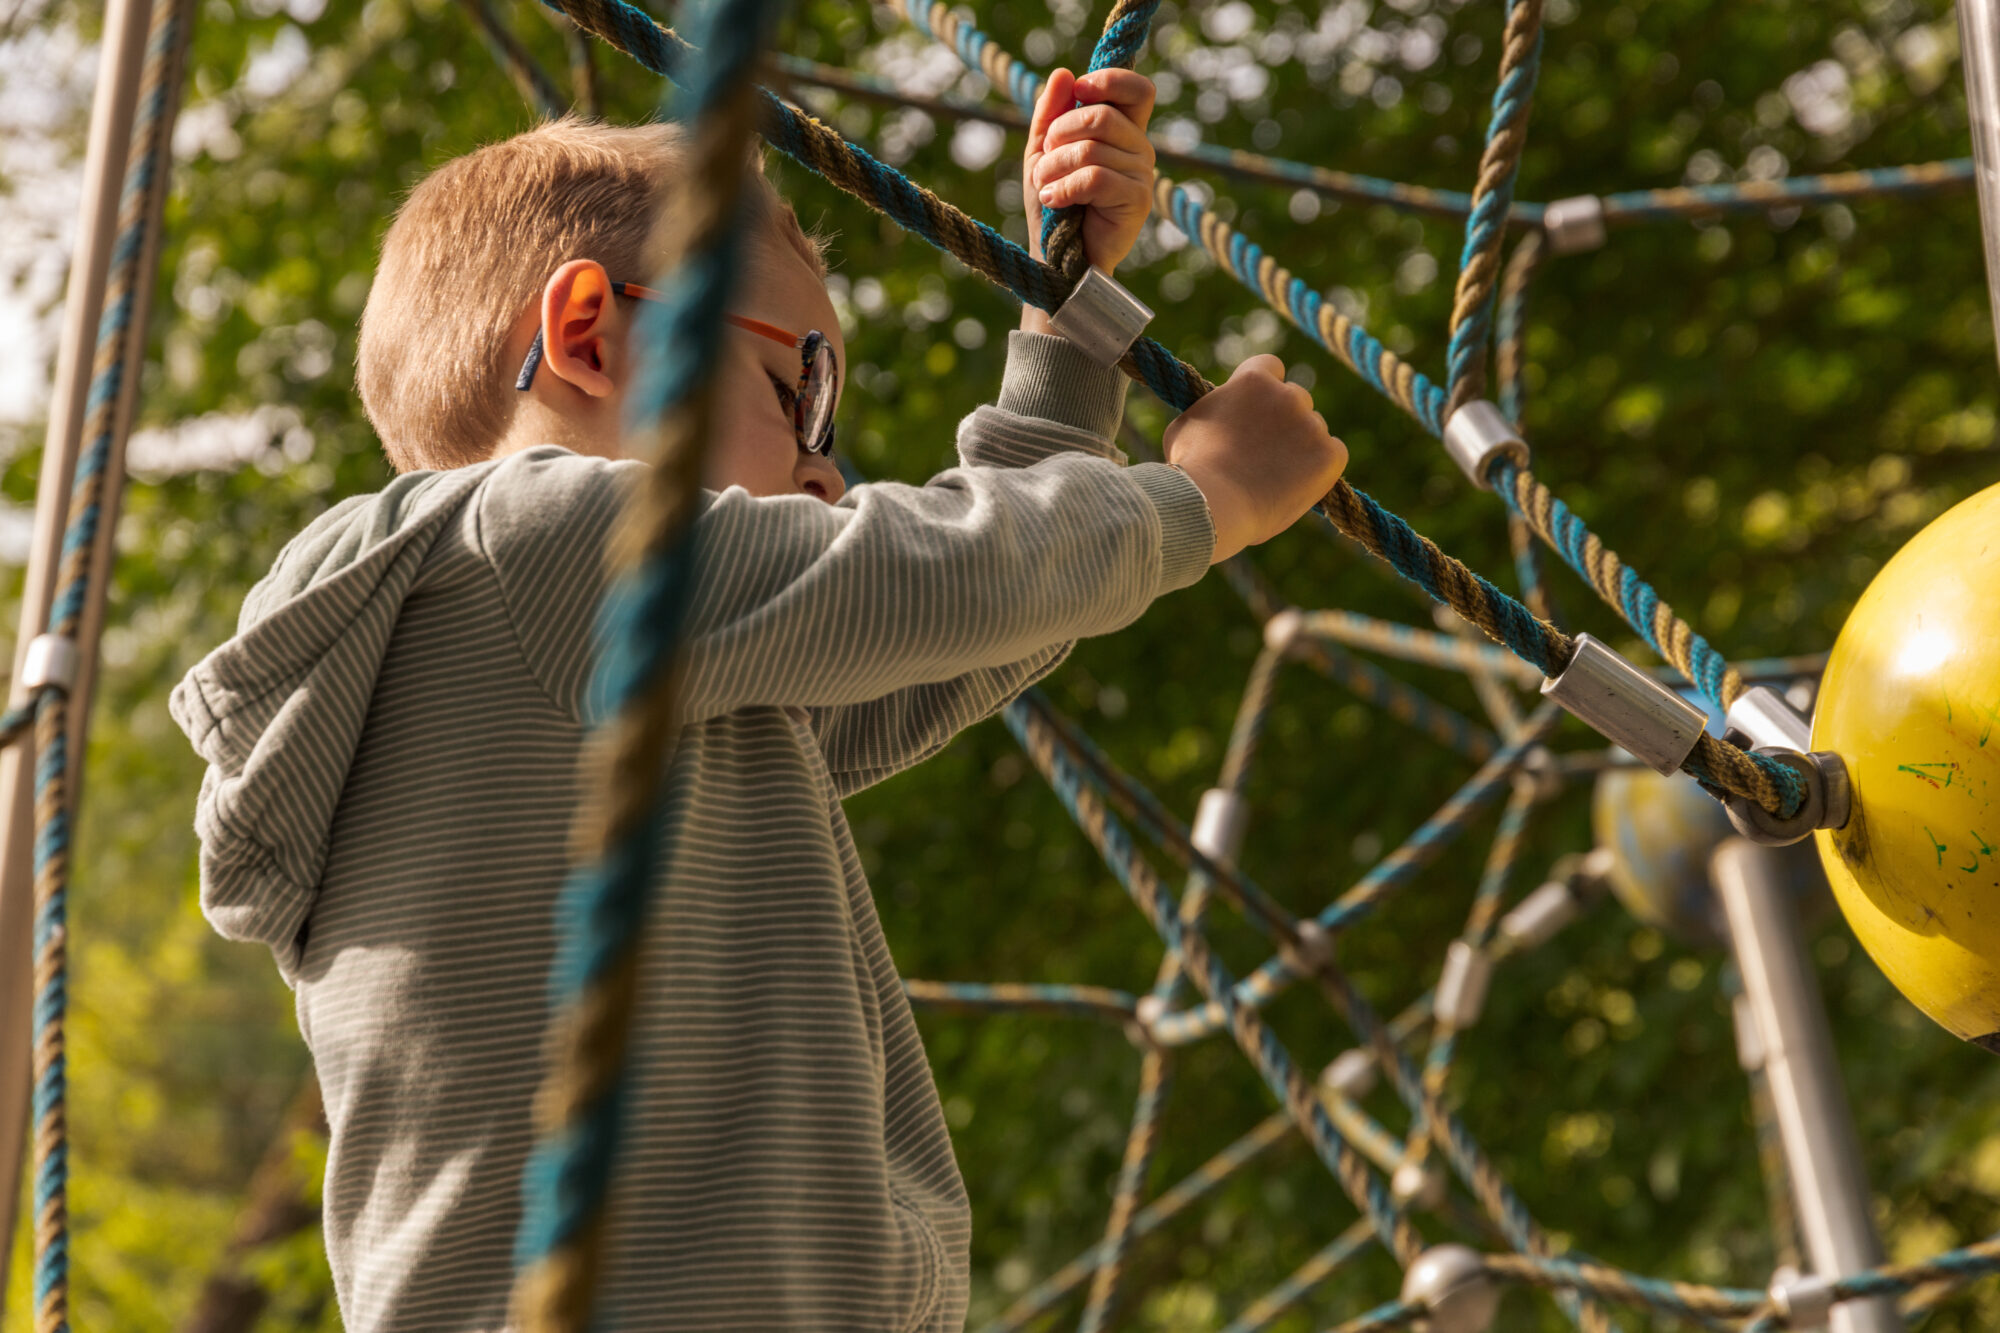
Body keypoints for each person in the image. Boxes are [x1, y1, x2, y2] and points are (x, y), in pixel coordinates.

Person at [171, 66, 1346, 1332]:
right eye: (804, 389)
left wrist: (1067, 334)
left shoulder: (613, 675)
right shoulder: (528, 539)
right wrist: (1207, 501)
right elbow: (923, 578)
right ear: (587, 333)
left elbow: (942, 635)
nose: (825, 471)